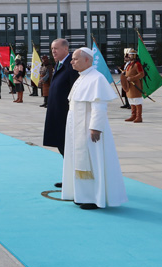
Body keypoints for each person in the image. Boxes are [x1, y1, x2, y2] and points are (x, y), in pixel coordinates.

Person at [61, 48, 127, 210]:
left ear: (87, 60)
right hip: (76, 127)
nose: (72, 62)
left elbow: (99, 106)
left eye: (75, 59)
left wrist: (95, 128)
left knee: (92, 161)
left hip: (89, 128)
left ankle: (93, 198)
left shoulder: (96, 78)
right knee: (77, 159)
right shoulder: (82, 77)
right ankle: (80, 194)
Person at [42, 38, 79, 189]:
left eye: (56, 48)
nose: (53, 51)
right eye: (52, 49)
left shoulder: (71, 65)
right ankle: (69, 178)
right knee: (62, 146)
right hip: (56, 112)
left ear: (65, 49)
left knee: (68, 148)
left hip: (65, 114)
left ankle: (75, 180)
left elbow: (75, 90)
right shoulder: (59, 64)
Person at [122, 48, 145, 123]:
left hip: (135, 85)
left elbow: (141, 74)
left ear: (134, 56)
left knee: (137, 100)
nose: (129, 56)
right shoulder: (129, 64)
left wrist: (132, 78)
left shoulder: (137, 64)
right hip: (129, 85)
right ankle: (133, 115)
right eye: (129, 54)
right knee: (131, 100)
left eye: (130, 55)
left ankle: (139, 117)